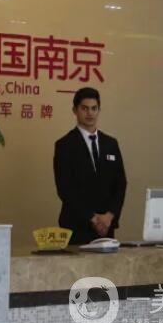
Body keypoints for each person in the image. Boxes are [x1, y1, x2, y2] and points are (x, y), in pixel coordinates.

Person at [53, 87, 127, 245]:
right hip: (77, 226)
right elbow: (65, 189)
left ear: (99, 110)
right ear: (75, 110)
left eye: (94, 108)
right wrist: (92, 218)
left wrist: (109, 216)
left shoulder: (111, 144)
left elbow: (120, 184)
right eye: (84, 108)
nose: (90, 113)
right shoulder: (64, 145)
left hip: (106, 227)